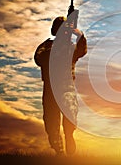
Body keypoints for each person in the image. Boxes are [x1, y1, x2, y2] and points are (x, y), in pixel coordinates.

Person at [34, 16, 87, 155]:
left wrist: (79, 35)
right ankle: (59, 151)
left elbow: (82, 50)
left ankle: (69, 137)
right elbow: (38, 58)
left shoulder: (71, 47)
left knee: (70, 115)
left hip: (67, 87)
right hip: (50, 86)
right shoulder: (46, 46)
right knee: (51, 121)